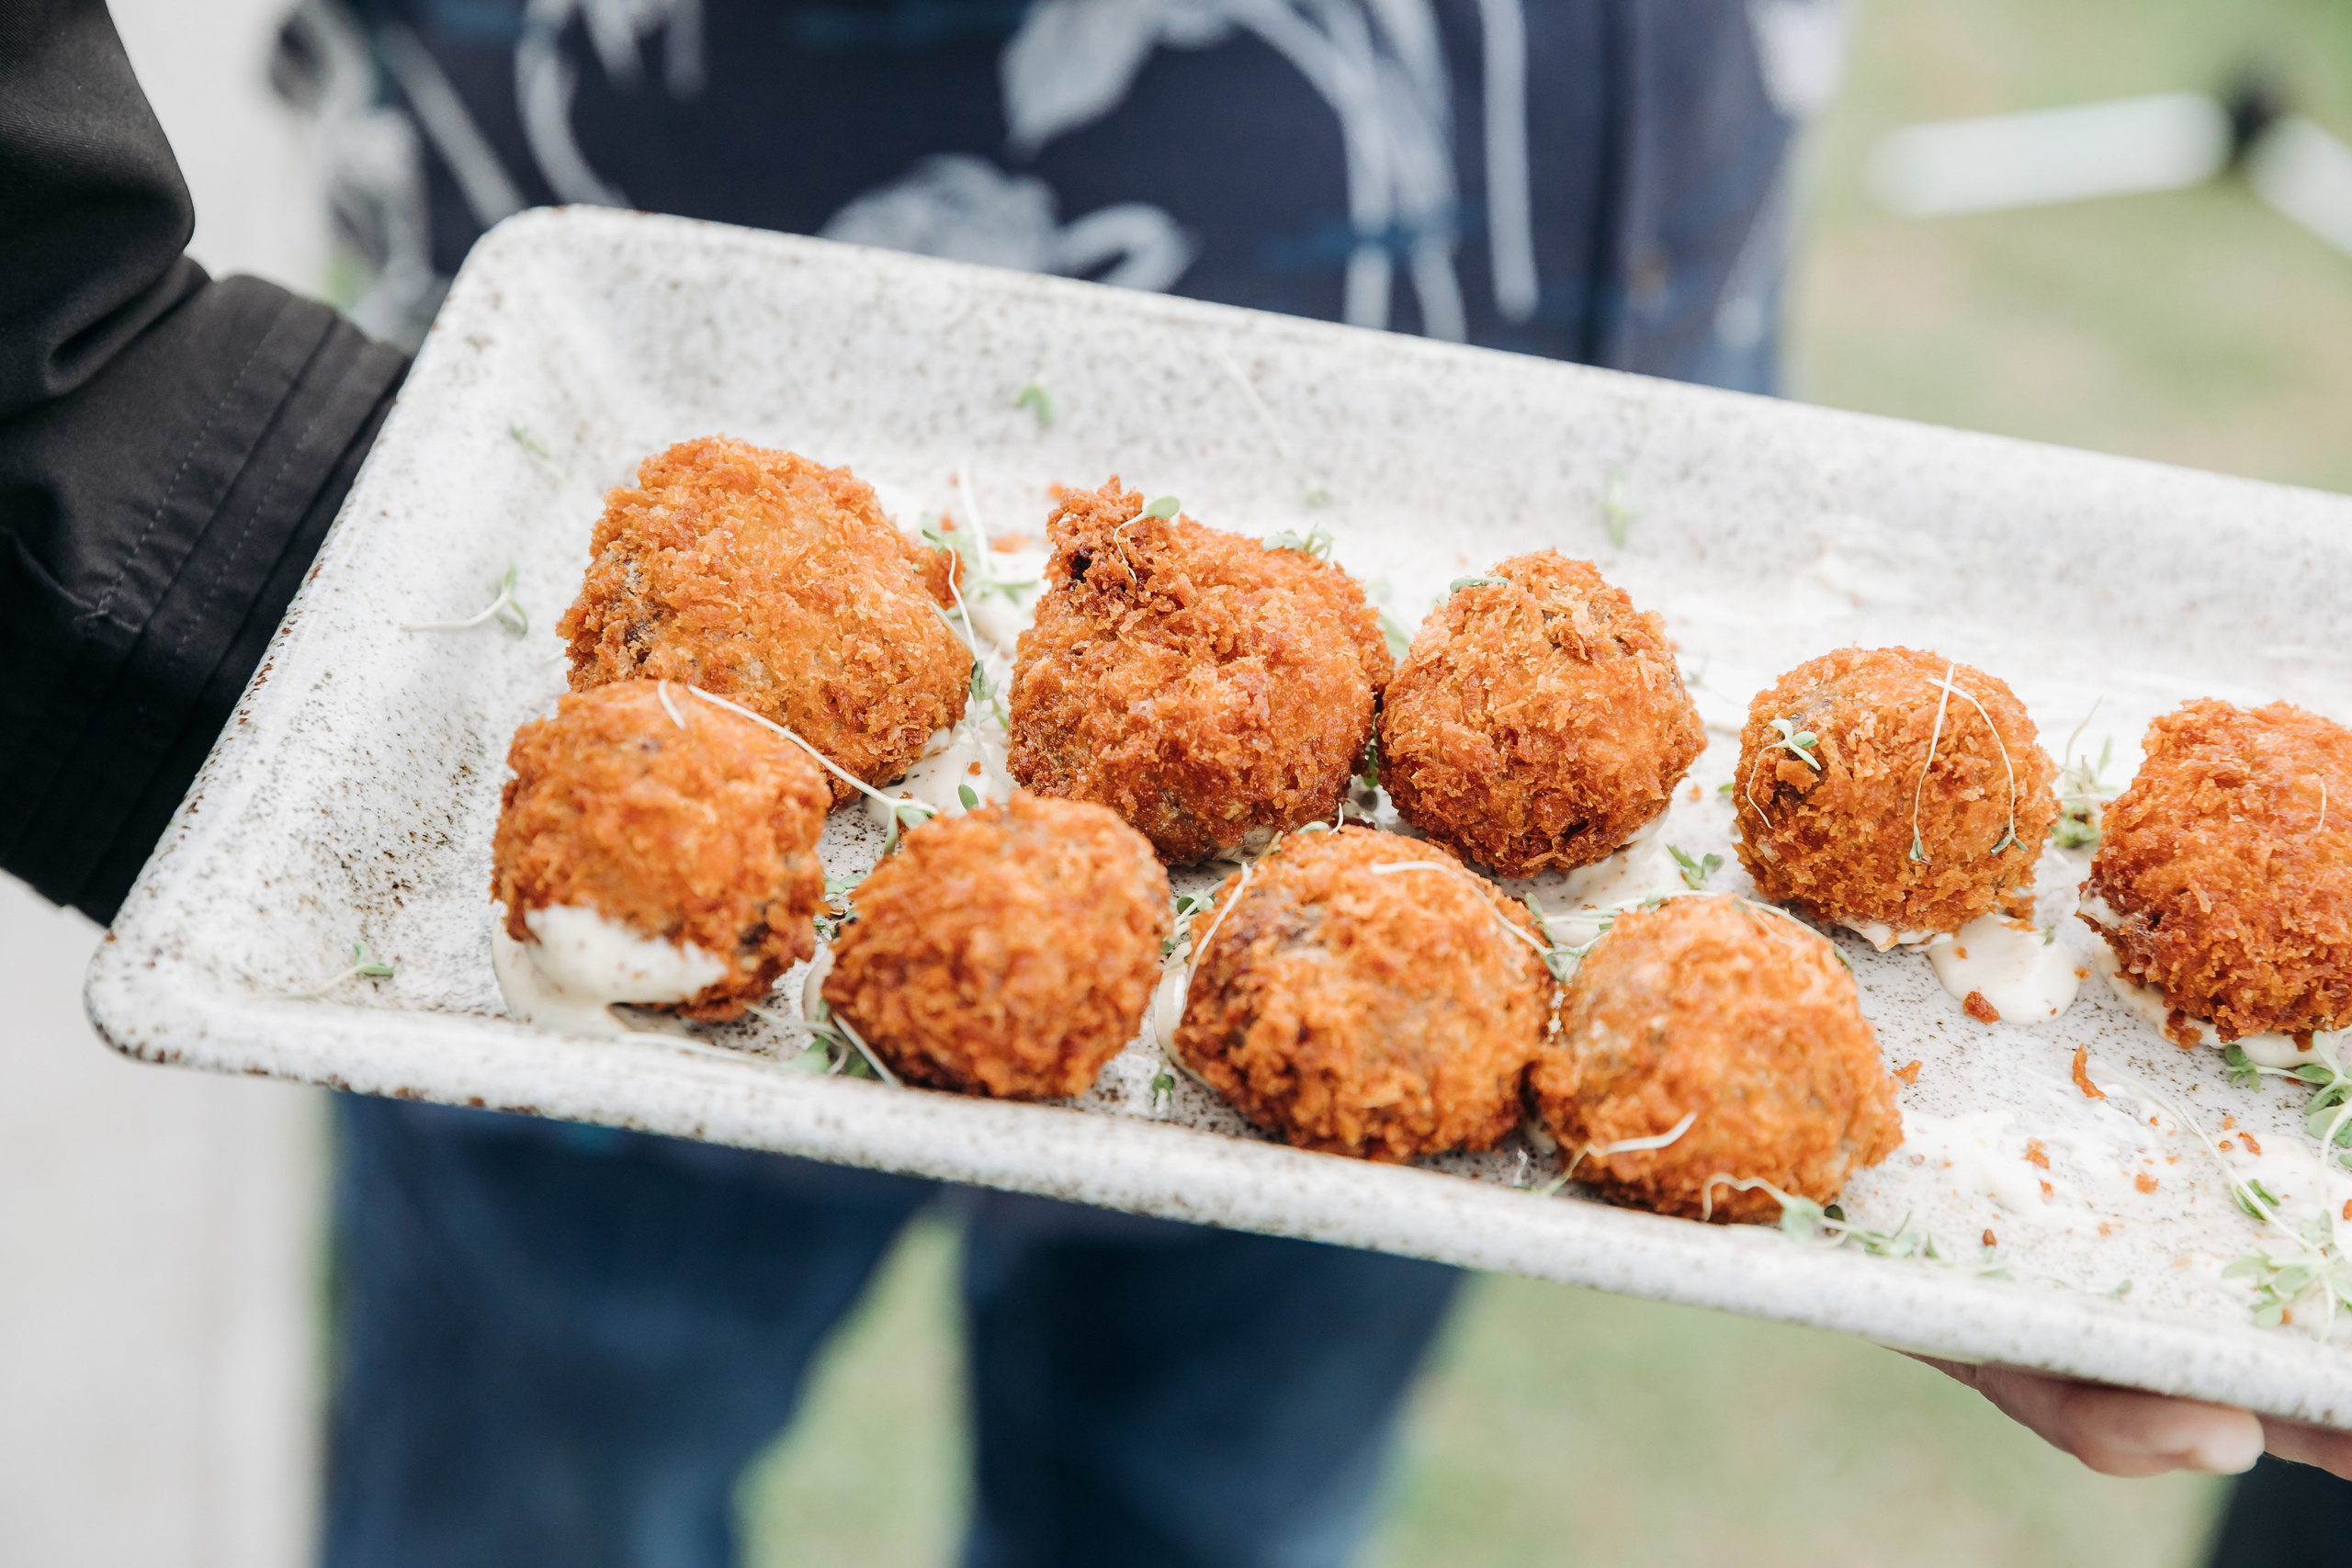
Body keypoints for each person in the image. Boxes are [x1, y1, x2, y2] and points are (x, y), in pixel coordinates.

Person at [4, 3, 2346, 1566]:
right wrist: (147, 483)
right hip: (719, 360)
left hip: (1625, 338)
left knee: (1222, 1494)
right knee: (547, 1477)